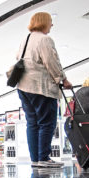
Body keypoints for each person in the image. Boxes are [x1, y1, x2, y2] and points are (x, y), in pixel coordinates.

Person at [16, 12, 72, 168]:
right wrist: (63, 79)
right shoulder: (44, 39)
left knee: (32, 123)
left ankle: (36, 159)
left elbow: (18, 59)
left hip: (23, 86)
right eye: (50, 22)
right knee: (47, 123)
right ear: (44, 22)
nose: (52, 25)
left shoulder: (25, 39)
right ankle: (44, 158)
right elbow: (51, 62)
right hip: (40, 87)